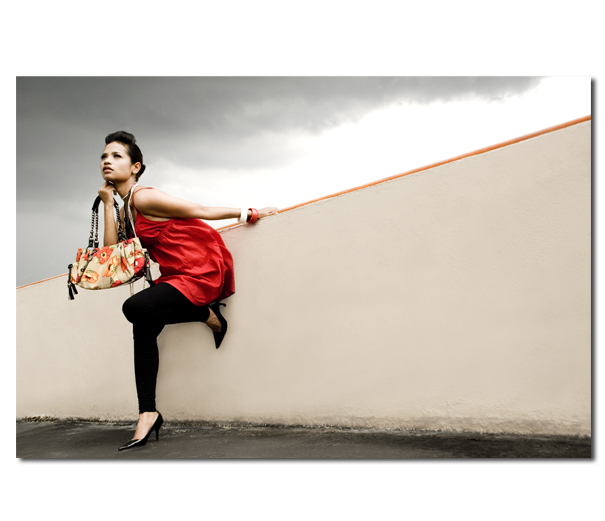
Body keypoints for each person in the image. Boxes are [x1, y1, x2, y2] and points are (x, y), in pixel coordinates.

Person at [97, 131, 278, 451]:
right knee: (143, 326)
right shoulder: (124, 208)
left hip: (198, 269)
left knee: (133, 308)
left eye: (116, 156)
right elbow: (110, 253)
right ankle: (147, 413)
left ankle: (205, 313)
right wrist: (109, 204)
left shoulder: (144, 197)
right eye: (104, 156)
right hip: (175, 275)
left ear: (136, 167)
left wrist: (250, 213)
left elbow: (199, 210)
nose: (107, 161)